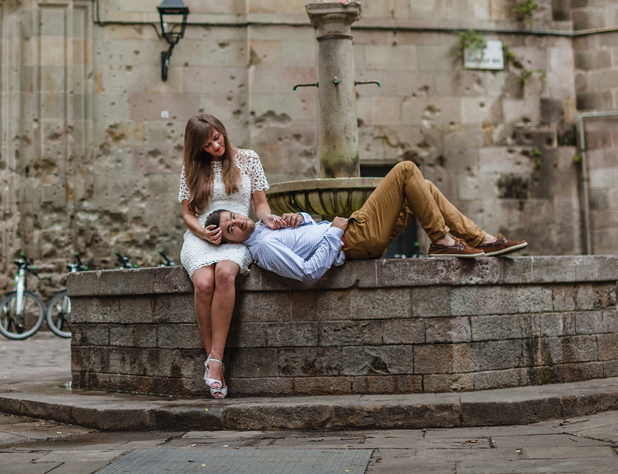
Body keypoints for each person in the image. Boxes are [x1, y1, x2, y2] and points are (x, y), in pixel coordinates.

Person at [207, 161, 527, 283]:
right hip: (352, 238)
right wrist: (334, 230)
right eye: (230, 228)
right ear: (229, 240)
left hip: (354, 234)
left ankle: (481, 239)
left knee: (424, 188)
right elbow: (307, 273)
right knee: (404, 170)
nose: (238, 222)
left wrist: (299, 218)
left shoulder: (266, 227)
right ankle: (442, 241)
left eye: (234, 215)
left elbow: (307, 231)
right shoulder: (262, 249)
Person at [178, 113, 289, 399]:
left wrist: (269, 220)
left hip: (237, 233)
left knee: (225, 274)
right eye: (207, 145)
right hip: (201, 237)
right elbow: (187, 213)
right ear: (197, 148)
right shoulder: (192, 168)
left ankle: (214, 363)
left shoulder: (248, 159)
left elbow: (261, 205)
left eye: (217, 138)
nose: (215, 147)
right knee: (203, 283)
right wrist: (203, 233)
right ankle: (215, 363)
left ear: (222, 131)